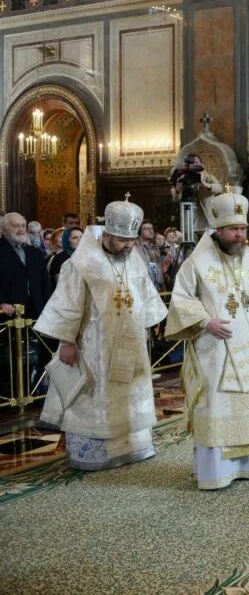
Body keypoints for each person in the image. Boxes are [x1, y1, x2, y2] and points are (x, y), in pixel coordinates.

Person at [35, 196, 167, 470]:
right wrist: (66, 342)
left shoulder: (133, 259)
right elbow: (69, 303)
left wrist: (148, 324)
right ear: (107, 234)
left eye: (131, 239)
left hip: (130, 342)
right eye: (122, 239)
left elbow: (145, 294)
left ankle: (134, 446)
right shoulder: (81, 263)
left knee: (130, 393)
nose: (128, 245)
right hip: (94, 345)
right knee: (96, 395)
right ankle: (93, 454)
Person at [164, 192, 249, 490]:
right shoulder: (197, 262)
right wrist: (206, 321)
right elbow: (180, 299)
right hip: (215, 351)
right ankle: (216, 473)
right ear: (218, 230)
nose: (239, 235)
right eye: (233, 229)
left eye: (243, 229)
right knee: (216, 407)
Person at [0, 212, 50, 320]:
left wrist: (48, 306)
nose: (21, 229)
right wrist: (2, 302)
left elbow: (45, 283)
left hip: (36, 313)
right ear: (3, 229)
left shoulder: (36, 253)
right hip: (8, 313)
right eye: (16, 226)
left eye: (23, 225)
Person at [137, 221, 165, 292]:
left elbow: (157, 267)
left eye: (151, 228)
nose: (150, 231)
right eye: (146, 229)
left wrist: (162, 284)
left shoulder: (155, 247)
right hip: (141, 288)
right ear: (139, 231)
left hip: (156, 287)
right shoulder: (135, 246)